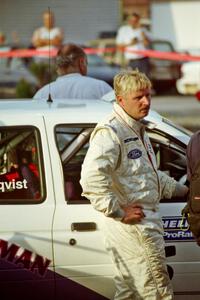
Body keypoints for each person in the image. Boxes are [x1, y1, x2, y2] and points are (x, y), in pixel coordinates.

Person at [80, 70, 188, 299]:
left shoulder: (136, 127)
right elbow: (90, 179)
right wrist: (119, 210)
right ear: (120, 100)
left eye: (148, 95)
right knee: (157, 292)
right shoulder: (111, 131)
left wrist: (186, 190)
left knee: (129, 293)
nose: (146, 102)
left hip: (137, 225)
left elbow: (147, 176)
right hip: (135, 227)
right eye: (138, 97)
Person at [33, 43, 112, 100]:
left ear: (57, 67)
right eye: (86, 63)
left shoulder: (42, 94)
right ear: (81, 62)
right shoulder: (101, 88)